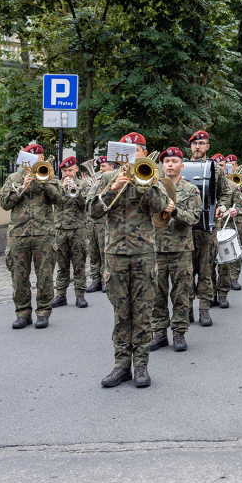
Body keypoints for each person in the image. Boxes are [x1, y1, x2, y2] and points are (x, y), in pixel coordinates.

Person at [90, 132, 168, 388]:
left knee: (143, 311)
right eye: (127, 150)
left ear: (144, 153)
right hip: (114, 254)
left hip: (143, 252)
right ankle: (121, 365)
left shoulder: (152, 176)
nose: (132, 154)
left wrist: (143, 185)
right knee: (121, 313)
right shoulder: (109, 178)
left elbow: (161, 206)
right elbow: (93, 211)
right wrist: (113, 189)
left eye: (136, 150)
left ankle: (141, 365)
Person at [0, 144, 63, 329]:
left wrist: (44, 183)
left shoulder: (50, 176)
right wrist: (22, 187)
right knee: (19, 277)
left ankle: (43, 312)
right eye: (31, 159)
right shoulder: (14, 178)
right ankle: (23, 313)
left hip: (44, 235)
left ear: (43, 159)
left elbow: (59, 199)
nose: (35, 162)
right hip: (18, 235)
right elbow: (4, 203)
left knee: (45, 276)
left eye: (39, 158)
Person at [149, 147, 203, 353]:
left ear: (182, 165)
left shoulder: (191, 189)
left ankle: (179, 332)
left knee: (181, 293)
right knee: (156, 294)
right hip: (156, 249)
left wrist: (176, 211)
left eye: (174, 161)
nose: (170, 164)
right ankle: (159, 333)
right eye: (166, 161)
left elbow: (194, 218)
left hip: (180, 249)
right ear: (162, 166)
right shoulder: (153, 187)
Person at [187, 131, 233, 326]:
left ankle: (204, 309)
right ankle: (186, 309)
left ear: (207, 147)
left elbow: (225, 193)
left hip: (208, 228)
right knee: (186, 271)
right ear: (191, 146)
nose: (198, 146)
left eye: (202, 143)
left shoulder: (217, 169)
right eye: (195, 143)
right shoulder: (182, 167)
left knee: (206, 270)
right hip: (186, 229)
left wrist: (221, 207)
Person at [51, 156, 89, 308]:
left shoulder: (84, 185)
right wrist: (62, 188)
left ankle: (80, 295)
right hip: (60, 230)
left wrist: (77, 191)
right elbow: (53, 201)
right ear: (61, 171)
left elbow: (85, 204)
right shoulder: (56, 185)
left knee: (79, 265)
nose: (68, 174)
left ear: (76, 169)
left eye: (70, 171)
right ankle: (61, 295)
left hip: (78, 230)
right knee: (62, 266)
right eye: (65, 171)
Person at [211, 153, 241, 309]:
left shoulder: (231, 185)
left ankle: (223, 294)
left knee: (224, 263)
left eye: (222, 165)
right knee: (209, 265)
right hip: (210, 227)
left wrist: (232, 212)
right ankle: (210, 296)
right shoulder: (207, 179)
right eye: (218, 166)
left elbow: (238, 205)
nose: (220, 168)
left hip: (225, 226)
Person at [85, 156, 113, 293]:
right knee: (93, 252)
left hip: (104, 222)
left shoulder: (113, 182)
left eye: (103, 166)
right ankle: (95, 279)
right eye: (100, 167)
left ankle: (104, 279)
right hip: (91, 222)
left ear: (111, 168)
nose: (100, 169)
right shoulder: (97, 182)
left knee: (103, 252)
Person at [224, 154, 242, 291]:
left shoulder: (239, 178)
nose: (232, 166)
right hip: (224, 219)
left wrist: (240, 183)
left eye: (233, 164)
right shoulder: (221, 180)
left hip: (238, 220)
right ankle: (224, 278)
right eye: (228, 164)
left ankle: (234, 278)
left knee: (237, 249)